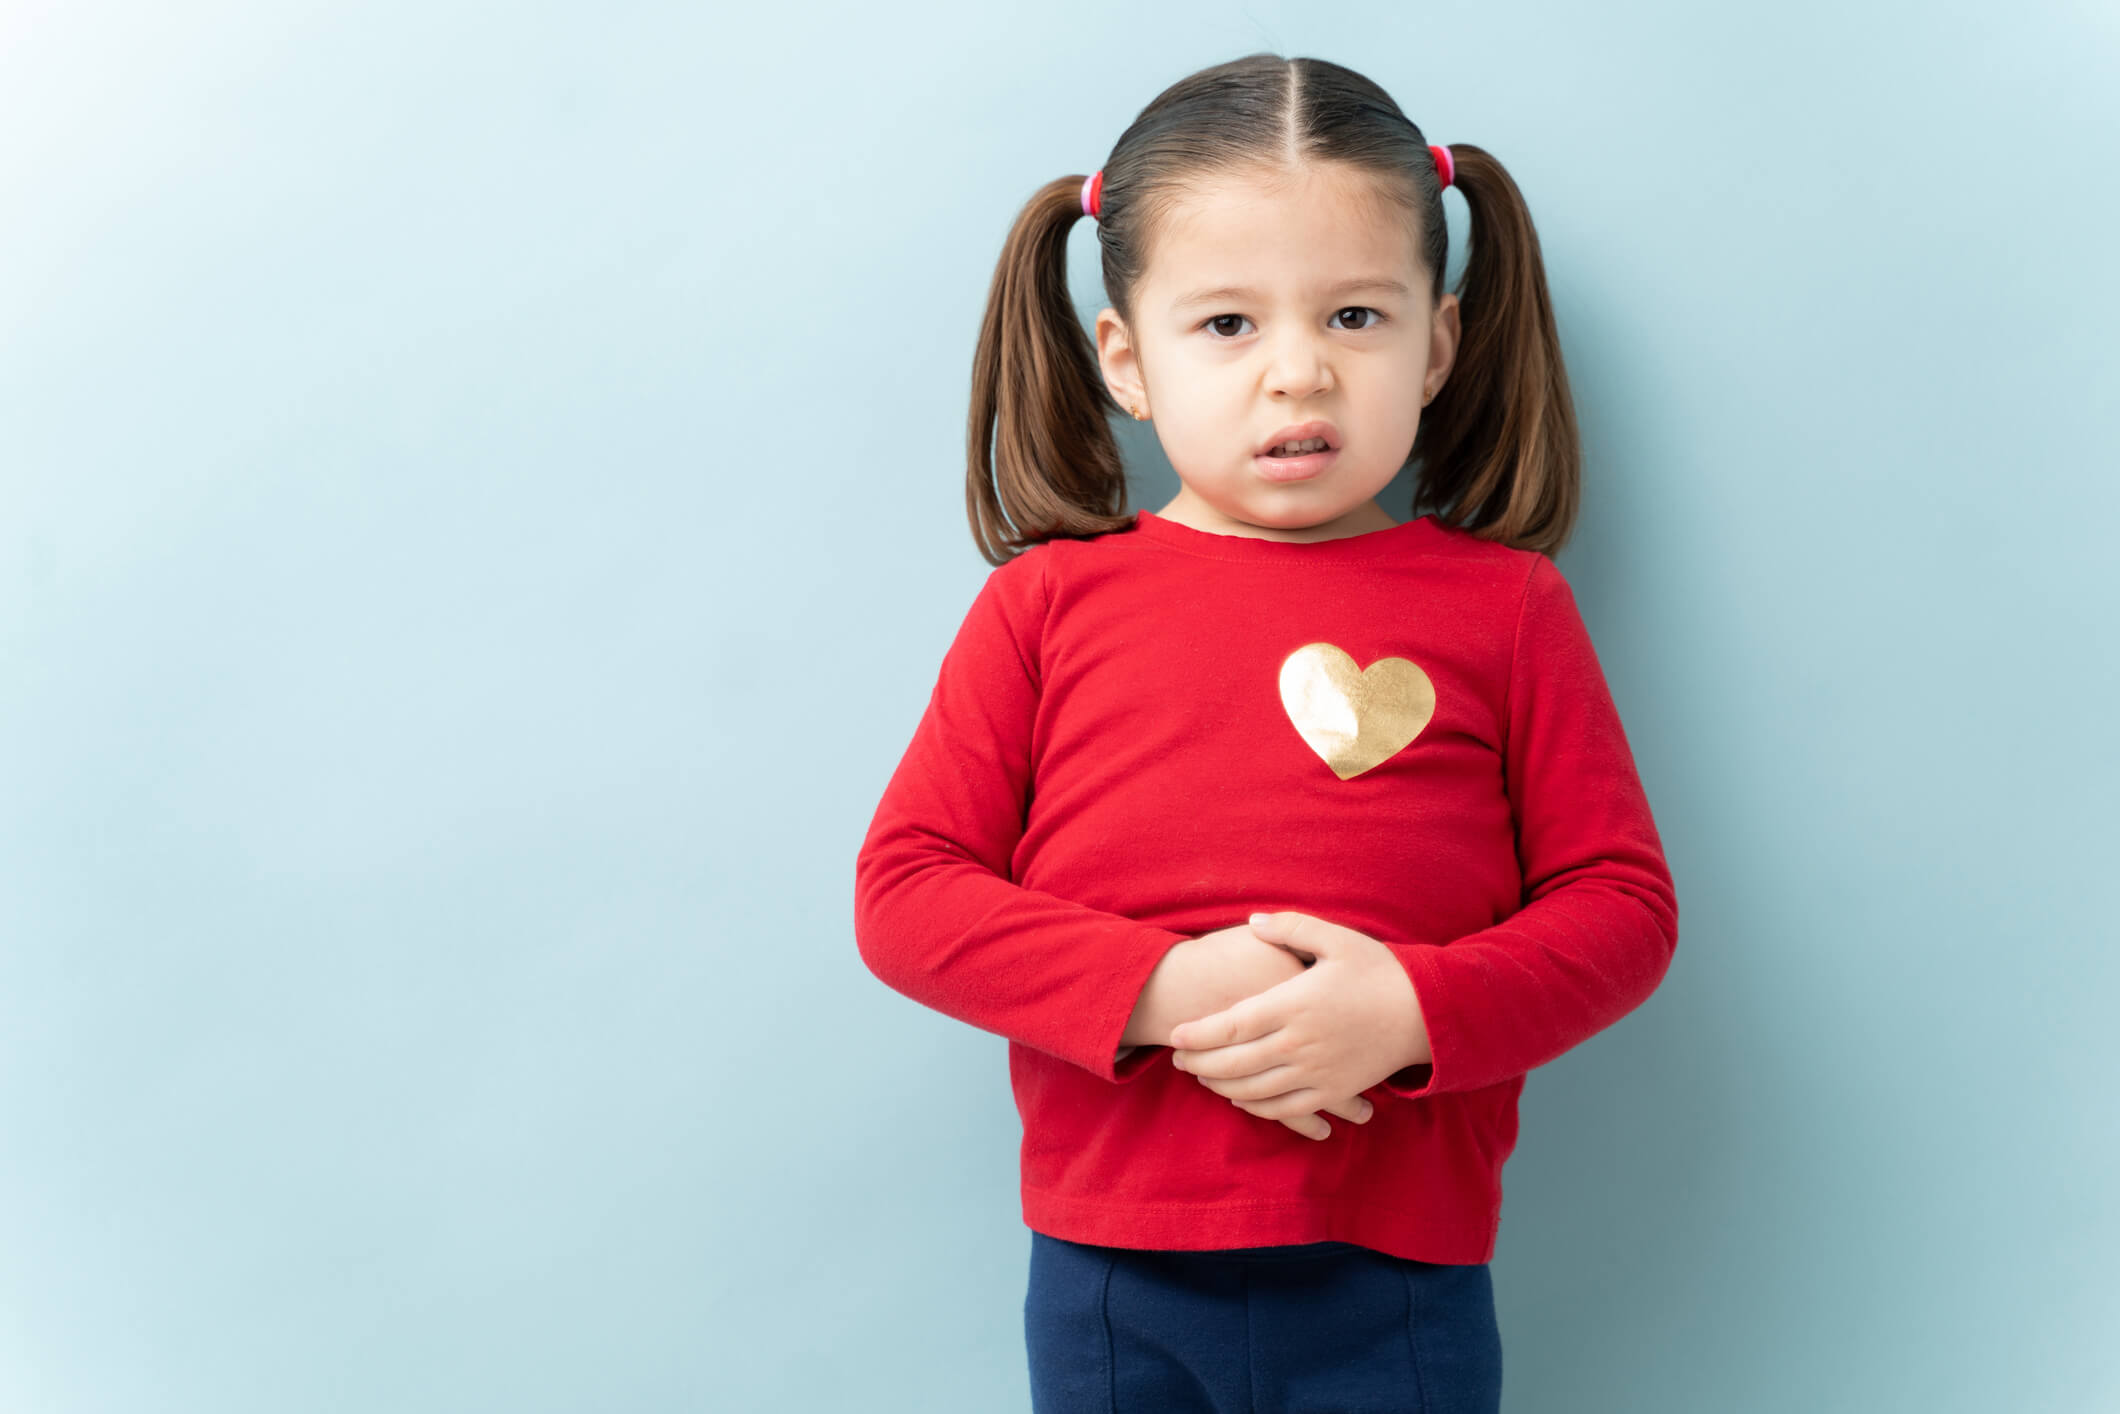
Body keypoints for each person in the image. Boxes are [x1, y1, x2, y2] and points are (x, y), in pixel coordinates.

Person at [853, 50, 1679, 1414]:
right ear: (1126, 357)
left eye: (1356, 315)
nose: (1298, 375)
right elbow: (907, 894)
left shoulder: (1510, 609)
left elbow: (1621, 907)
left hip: (1399, 1275)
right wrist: (1172, 995)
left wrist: (1410, 1011)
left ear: (1440, 344)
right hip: (1115, 1268)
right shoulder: (1047, 605)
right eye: (1227, 325)